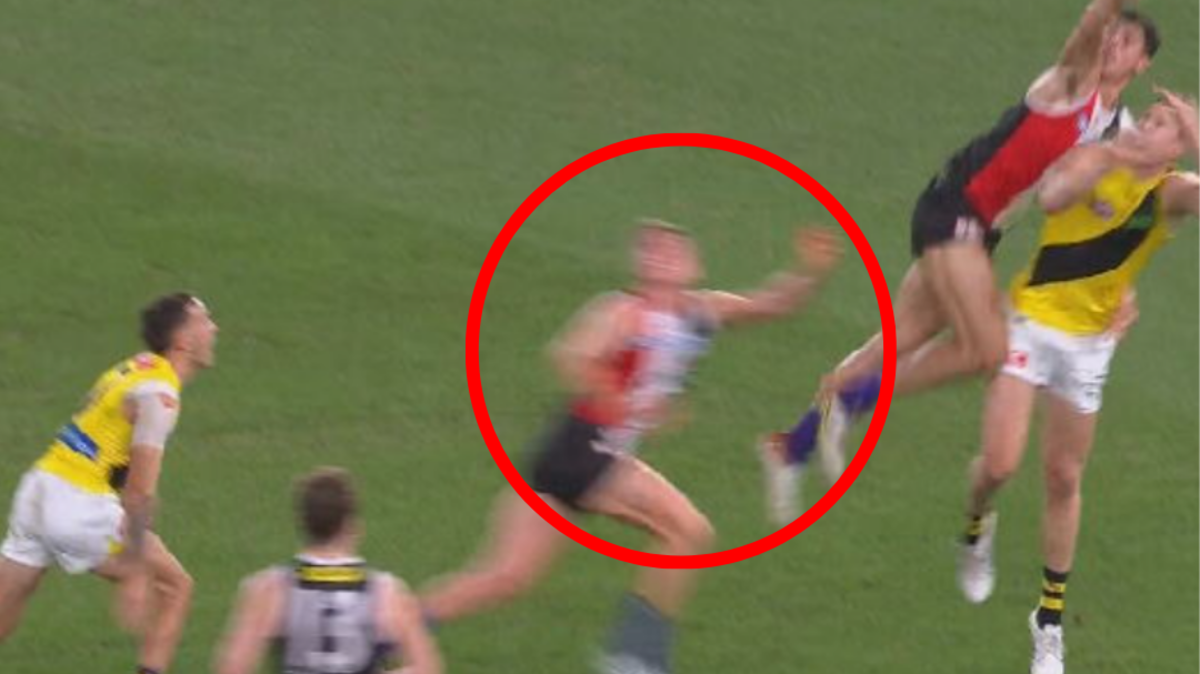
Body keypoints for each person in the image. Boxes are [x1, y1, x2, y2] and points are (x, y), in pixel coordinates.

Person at [758, 1, 1161, 524]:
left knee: (896, 341)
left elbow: (1109, 213)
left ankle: (791, 448)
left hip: (982, 232)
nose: (1112, 43)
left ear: (1143, 64)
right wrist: (1104, 14)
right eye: (1112, 33)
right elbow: (1090, 23)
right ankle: (853, 403)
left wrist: (1122, 288)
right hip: (957, 209)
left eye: (1126, 41)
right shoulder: (1071, 83)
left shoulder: (1117, 131)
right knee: (988, 352)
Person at [420, 220, 842, 674]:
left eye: (674, 248)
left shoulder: (702, 311)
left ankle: (385, 629)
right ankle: (634, 660)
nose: (662, 253)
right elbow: (570, 357)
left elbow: (772, 304)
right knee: (688, 531)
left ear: (696, 266)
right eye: (652, 248)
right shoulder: (622, 311)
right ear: (638, 263)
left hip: (567, 454)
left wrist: (810, 271)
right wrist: (627, 405)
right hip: (586, 448)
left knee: (504, 578)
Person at [956, 91, 1198, 674]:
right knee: (999, 465)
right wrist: (1110, 154)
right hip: (1030, 322)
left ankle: (1048, 620)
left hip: (1088, 348)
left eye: (1164, 124)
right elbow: (1053, 197)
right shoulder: (1093, 156)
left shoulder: (1168, 194)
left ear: (1177, 148)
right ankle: (975, 526)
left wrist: (1196, 131)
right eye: (1149, 116)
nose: (1149, 124)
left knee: (1064, 477)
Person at [0, 293, 218, 674]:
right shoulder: (161, 396)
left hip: (38, 488)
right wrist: (133, 569)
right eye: (204, 320)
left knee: (9, 597)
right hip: (77, 504)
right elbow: (140, 491)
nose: (214, 328)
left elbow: (100, 438)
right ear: (182, 341)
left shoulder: (134, 367)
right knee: (174, 587)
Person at [215, 467, 441, 674]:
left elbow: (232, 669)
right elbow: (427, 669)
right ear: (352, 525)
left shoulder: (270, 589)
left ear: (303, 523)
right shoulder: (386, 592)